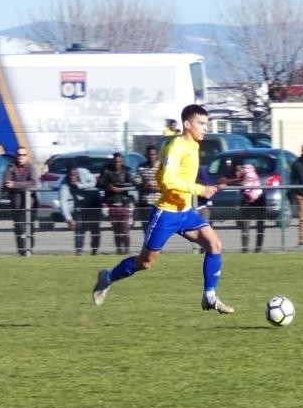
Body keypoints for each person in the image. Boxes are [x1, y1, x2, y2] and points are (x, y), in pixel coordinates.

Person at [91, 104, 235, 314]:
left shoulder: (193, 146)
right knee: (145, 263)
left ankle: (209, 296)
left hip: (185, 212)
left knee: (214, 245)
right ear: (187, 124)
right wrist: (199, 189)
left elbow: (161, 174)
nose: (205, 128)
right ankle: (108, 277)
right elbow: (168, 180)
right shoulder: (176, 146)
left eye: (206, 124)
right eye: (201, 123)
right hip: (166, 214)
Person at [3, 147, 38, 256]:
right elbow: (6, 183)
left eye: (23, 155)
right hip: (16, 204)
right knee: (19, 228)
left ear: (26, 156)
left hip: (30, 205)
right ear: (16, 155)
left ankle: (29, 250)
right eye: (19, 154)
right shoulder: (10, 167)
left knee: (29, 228)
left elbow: (33, 183)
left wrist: (15, 184)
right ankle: (21, 251)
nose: (21, 157)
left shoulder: (31, 167)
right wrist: (23, 185)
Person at [59, 166, 101, 255]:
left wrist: (79, 185)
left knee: (94, 228)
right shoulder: (64, 183)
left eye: (74, 175)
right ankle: (79, 251)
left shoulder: (83, 172)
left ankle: (95, 250)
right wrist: (68, 218)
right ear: (67, 175)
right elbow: (63, 201)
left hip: (94, 201)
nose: (72, 177)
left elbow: (94, 182)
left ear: (77, 174)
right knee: (79, 228)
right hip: (80, 205)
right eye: (70, 175)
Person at [227, 162, 266, 253]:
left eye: (238, 171)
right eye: (235, 171)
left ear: (241, 170)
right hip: (248, 201)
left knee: (260, 226)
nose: (236, 173)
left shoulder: (249, 175)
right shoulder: (242, 175)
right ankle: (245, 249)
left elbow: (244, 186)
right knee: (245, 226)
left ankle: (258, 249)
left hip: (259, 200)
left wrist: (231, 183)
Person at [99, 152, 134, 254]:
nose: (117, 164)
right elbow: (100, 183)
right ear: (112, 161)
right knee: (116, 230)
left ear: (122, 162)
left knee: (125, 230)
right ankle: (119, 250)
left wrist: (121, 187)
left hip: (124, 203)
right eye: (115, 162)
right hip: (112, 203)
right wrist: (109, 187)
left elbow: (132, 183)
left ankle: (127, 250)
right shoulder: (106, 170)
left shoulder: (127, 170)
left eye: (119, 162)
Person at [134, 145, 160, 225]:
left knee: (157, 227)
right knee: (146, 227)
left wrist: (155, 187)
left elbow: (167, 183)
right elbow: (136, 181)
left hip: (158, 203)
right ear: (146, 155)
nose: (151, 156)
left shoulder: (161, 167)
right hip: (144, 202)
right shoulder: (141, 167)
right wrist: (144, 184)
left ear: (156, 155)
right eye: (149, 154)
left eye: (153, 154)